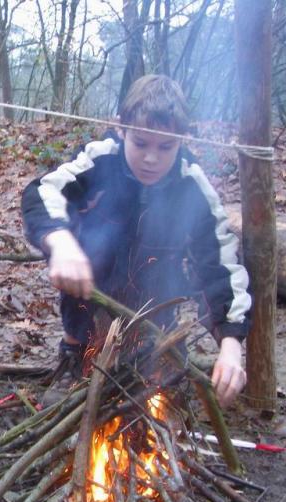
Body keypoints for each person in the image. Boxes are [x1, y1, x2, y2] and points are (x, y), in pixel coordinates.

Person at [21, 75, 252, 407]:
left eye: (165, 147)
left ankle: (154, 358)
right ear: (121, 129)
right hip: (92, 291)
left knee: (163, 398)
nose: (151, 158)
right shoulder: (101, 159)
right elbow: (42, 192)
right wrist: (60, 242)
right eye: (141, 144)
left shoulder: (191, 184)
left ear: (182, 139)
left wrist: (231, 346)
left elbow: (219, 263)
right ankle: (75, 353)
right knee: (89, 249)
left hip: (156, 308)